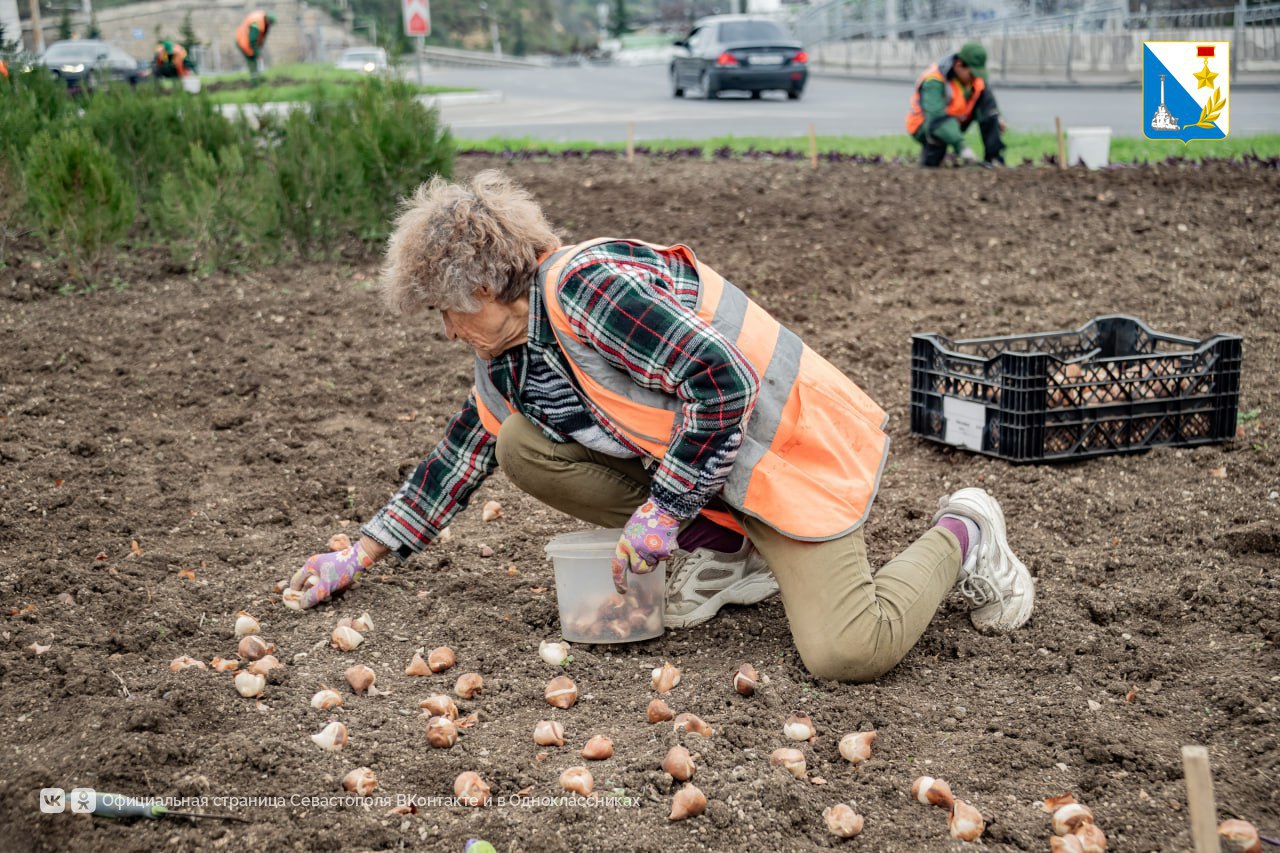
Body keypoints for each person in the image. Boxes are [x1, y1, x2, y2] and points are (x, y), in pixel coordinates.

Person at [286, 171, 1035, 683]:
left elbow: (723, 381)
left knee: (848, 651)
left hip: (789, 458)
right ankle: (730, 552)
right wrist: (359, 553)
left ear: (484, 285)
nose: (448, 330)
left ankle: (966, 531)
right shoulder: (507, 355)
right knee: (520, 444)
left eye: (448, 311)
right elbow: (461, 455)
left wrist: (663, 512)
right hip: (721, 480)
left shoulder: (586, 288)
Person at [906, 41, 1007, 168]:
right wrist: (962, 147)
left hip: (955, 119)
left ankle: (994, 159)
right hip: (925, 125)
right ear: (959, 65)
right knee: (939, 132)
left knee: (991, 115)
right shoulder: (934, 80)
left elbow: (988, 107)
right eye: (971, 74)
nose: (975, 78)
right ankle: (929, 166)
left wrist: (996, 120)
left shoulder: (975, 81)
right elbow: (936, 118)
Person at [235, 10, 276, 80]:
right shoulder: (256, 23)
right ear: (268, 20)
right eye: (270, 23)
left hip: (248, 42)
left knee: (255, 60)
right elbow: (252, 40)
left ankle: (259, 79)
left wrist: (258, 50)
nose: (270, 25)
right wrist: (257, 53)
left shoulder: (263, 23)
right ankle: (255, 81)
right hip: (243, 42)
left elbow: (261, 38)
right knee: (252, 62)